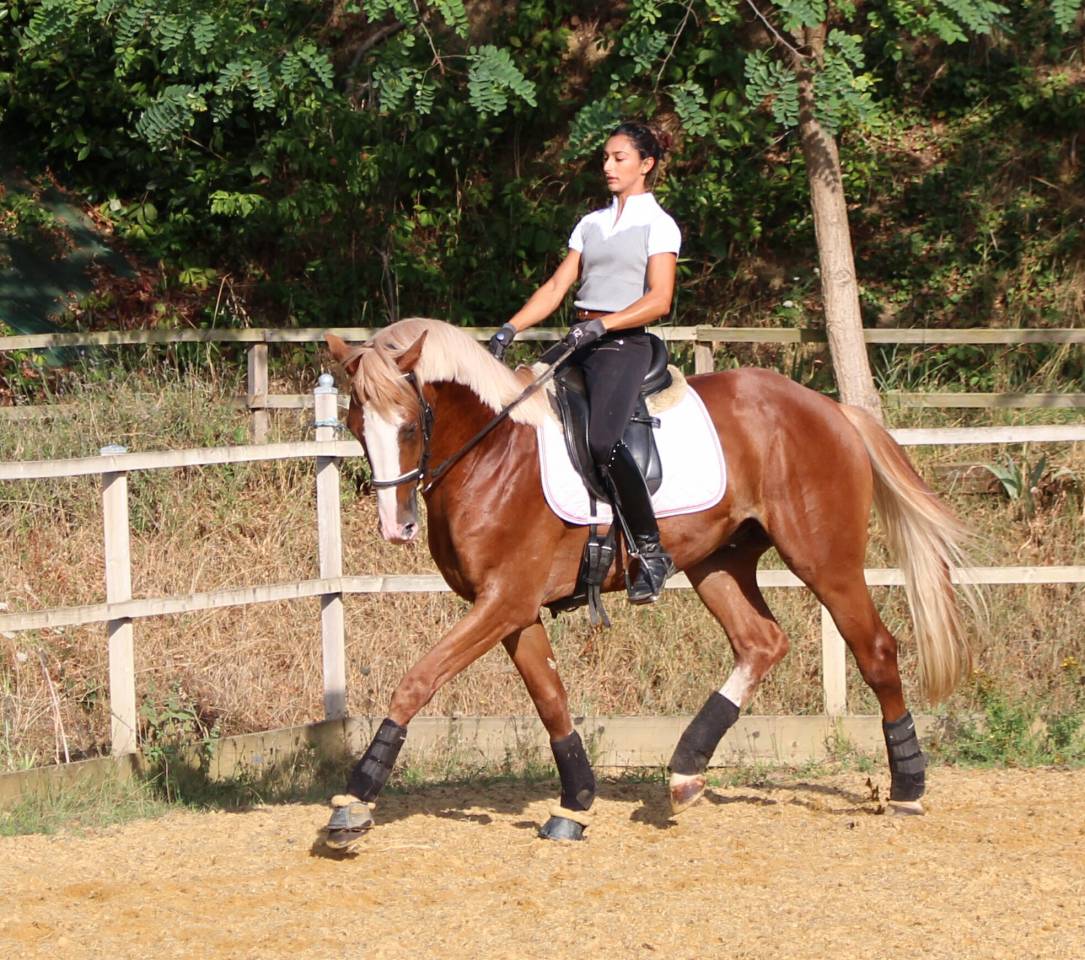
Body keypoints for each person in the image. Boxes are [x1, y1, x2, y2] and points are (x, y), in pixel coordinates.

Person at [488, 121, 681, 604]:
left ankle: (651, 551)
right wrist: (509, 330)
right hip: (580, 338)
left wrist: (604, 325)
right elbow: (556, 288)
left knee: (602, 441)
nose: (608, 167)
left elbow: (659, 299)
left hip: (622, 345)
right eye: (606, 158)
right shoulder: (590, 223)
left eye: (619, 158)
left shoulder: (659, 225)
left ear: (646, 164)